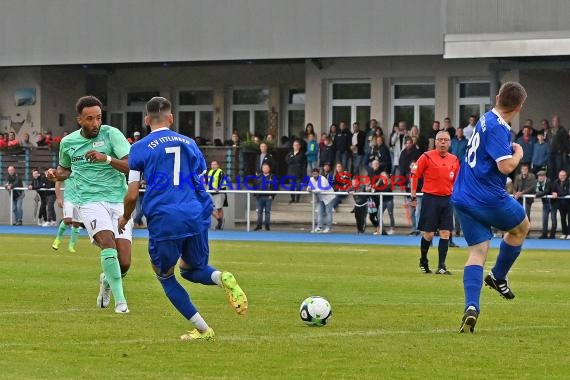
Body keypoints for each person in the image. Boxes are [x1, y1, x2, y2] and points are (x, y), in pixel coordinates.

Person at [118, 96, 247, 341]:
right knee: (191, 269)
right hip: (196, 213)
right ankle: (221, 278)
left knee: (165, 275)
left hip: (166, 216)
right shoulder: (189, 143)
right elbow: (197, 179)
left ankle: (204, 330)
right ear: (171, 118)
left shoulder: (140, 147)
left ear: (147, 120)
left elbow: (132, 193)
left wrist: (125, 218)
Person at [451, 82, 530, 333]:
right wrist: (518, 153)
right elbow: (505, 166)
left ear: (497, 98)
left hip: (463, 195)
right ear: (519, 107)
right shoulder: (498, 127)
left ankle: (471, 307)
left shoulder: (486, 117)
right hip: (487, 197)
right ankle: (498, 276)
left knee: (477, 252)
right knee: (521, 227)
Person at [46, 95, 133, 314]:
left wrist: (106, 159)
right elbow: (65, 170)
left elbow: (132, 166)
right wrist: (55, 175)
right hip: (89, 201)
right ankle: (121, 302)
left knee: (124, 262)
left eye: (98, 118)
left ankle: (107, 281)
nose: (95, 123)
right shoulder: (68, 143)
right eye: (90, 119)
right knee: (107, 242)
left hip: (118, 200)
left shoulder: (112, 134)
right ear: (80, 120)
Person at [411, 130, 459, 275]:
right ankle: (423, 260)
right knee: (429, 234)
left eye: (446, 140)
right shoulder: (426, 156)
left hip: (447, 199)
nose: (443, 142)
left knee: (445, 233)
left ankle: (441, 266)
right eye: (440, 140)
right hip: (430, 198)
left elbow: (457, 181)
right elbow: (415, 175)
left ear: (450, 143)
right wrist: (413, 196)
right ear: (436, 142)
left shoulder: (454, 159)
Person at [51, 179, 82, 252]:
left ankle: (71, 246)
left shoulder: (82, 170)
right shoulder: (67, 170)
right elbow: (58, 182)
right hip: (69, 199)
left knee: (77, 224)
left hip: (80, 200)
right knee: (67, 220)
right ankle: (58, 239)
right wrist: (58, 198)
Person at [307, 168, 336, 233]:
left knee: (328, 212)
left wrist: (312, 190)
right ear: (312, 174)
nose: (315, 175)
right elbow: (309, 187)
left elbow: (322, 189)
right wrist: (308, 188)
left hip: (329, 197)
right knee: (319, 212)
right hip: (321, 198)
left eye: (316, 174)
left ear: (318, 174)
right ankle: (319, 227)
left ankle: (328, 227)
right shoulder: (311, 179)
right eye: (313, 174)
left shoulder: (322, 179)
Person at [254, 163, 276, 231]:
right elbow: (254, 186)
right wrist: (256, 195)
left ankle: (267, 226)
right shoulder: (259, 176)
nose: (265, 169)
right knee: (259, 212)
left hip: (268, 197)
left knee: (267, 212)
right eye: (264, 168)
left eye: (266, 168)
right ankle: (259, 225)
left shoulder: (272, 177)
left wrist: (272, 195)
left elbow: (275, 187)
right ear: (262, 169)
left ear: (269, 169)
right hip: (259, 197)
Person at [207, 160, 227, 230]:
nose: (213, 166)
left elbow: (223, 181)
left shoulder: (220, 172)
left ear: (218, 165)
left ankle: (219, 225)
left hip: (219, 193)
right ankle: (220, 219)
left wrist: (219, 188)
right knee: (209, 208)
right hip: (211, 193)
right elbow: (208, 182)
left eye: (215, 164)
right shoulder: (210, 172)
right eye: (212, 164)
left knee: (219, 208)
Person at [535, 170, 555, 239]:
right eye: (539, 176)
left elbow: (547, 191)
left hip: (552, 203)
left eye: (541, 176)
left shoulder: (549, 181)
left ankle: (552, 235)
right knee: (545, 219)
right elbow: (537, 192)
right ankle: (544, 234)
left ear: (544, 176)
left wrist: (540, 194)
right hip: (545, 203)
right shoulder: (538, 183)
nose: (540, 178)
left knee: (553, 219)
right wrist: (541, 193)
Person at [285, 139, 306, 204]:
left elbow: (303, 164)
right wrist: (294, 159)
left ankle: (297, 199)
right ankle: (292, 198)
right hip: (291, 173)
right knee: (291, 186)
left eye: (297, 145)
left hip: (299, 173)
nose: (295, 146)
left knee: (297, 187)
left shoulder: (302, 154)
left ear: (299, 146)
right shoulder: (290, 153)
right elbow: (287, 161)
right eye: (294, 145)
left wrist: (303, 173)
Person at [550, 169, 570, 239]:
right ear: (559, 176)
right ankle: (564, 233)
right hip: (561, 204)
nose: (562, 177)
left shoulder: (568, 182)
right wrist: (553, 193)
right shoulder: (556, 182)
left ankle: (569, 234)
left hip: (568, 204)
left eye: (564, 175)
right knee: (563, 219)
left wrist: (557, 194)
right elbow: (552, 190)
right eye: (561, 175)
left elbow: (567, 192)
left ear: (566, 176)